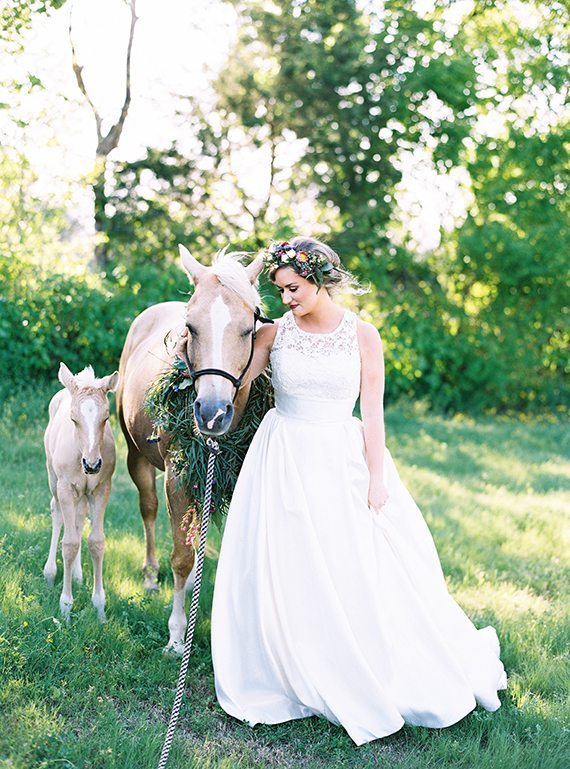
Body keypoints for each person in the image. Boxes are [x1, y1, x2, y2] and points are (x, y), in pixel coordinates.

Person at [210, 236, 507, 745]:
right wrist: (212, 402)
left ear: (322, 280)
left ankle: (357, 659)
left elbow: (372, 414)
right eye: (280, 290)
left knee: (351, 562)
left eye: (295, 288)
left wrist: (376, 479)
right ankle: (287, 660)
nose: (287, 299)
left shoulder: (363, 336)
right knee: (287, 561)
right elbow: (236, 381)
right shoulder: (274, 334)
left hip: (338, 456)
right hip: (282, 455)